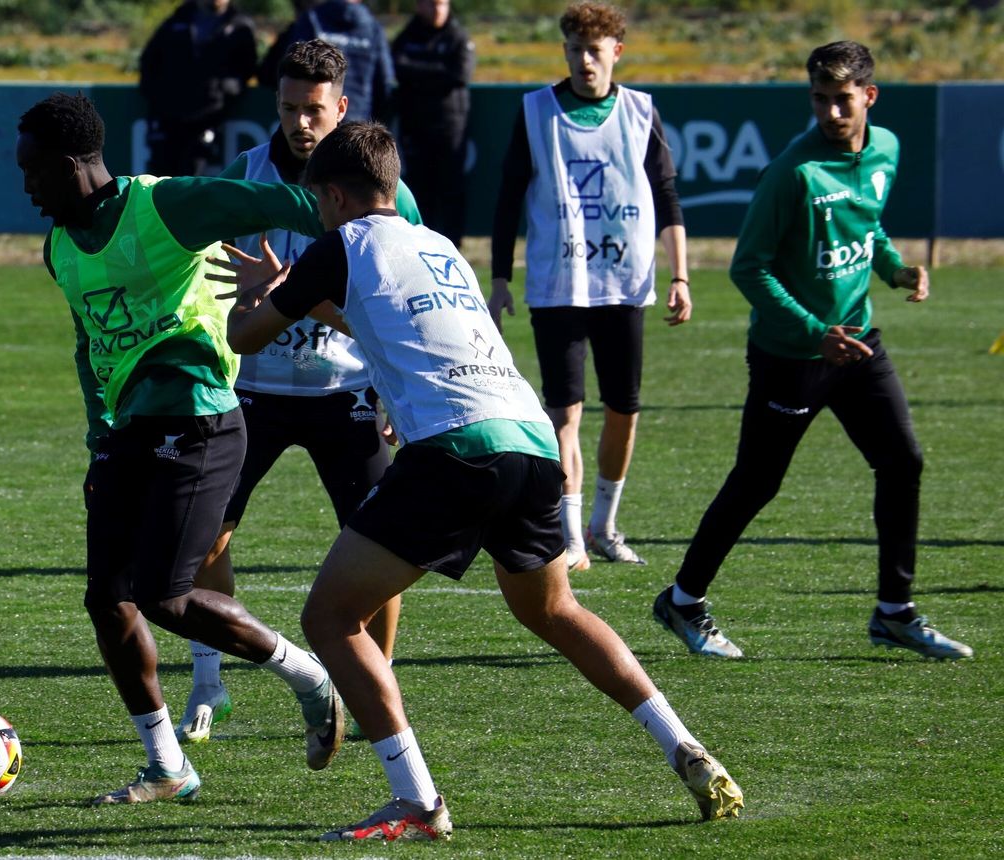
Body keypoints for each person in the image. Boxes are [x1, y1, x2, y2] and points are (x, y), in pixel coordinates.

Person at [220, 121, 743, 840]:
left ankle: (417, 800)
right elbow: (387, 327)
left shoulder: (339, 244)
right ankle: (683, 742)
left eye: (320, 202)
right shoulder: (437, 246)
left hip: (456, 450)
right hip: (529, 441)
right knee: (555, 611)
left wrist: (262, 291)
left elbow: (244, 339)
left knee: (329, 618)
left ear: (336, 196)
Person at [14, 92, 345, 805]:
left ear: (73, 166)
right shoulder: (61, 247)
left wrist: (384, 225)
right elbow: (88, 342)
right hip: (125, 432)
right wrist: (98, 429)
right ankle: (168, 766)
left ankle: (307, 674)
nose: (26, 188)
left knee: (164, 596)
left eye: (34, 172)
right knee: (107, 598)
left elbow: (289, 203)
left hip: (200, 421)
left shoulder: (166, 206)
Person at [651, 41, 973, 661]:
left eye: (842, 99)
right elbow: (749, 268)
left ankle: (895, 612)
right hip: (791, 356)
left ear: (869, 97)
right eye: (821, 100)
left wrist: (896, 269)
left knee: (902, 462)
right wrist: (810, 329)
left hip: (859, 342)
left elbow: (867, 223)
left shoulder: (886, 149)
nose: (830, 112)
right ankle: (683, 600)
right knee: (757, 482)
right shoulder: (793, 172)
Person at [173, 39, 425, 745]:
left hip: (346, 390)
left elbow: (408, 297)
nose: (300, 124)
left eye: (314, 110)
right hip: (251, 389)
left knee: (384, 547)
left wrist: (398, 394)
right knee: (204, 538)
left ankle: (381, 680)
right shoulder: (243, 176)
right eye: (288, 108)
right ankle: (207, 680)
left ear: (342, 107)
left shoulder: (385, 192)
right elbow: (194, 271)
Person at [488, 1, 691, 571]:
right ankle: (571, 534)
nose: (584, 61)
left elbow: (668, 197)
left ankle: (605, 524)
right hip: (557, 287)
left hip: (624, 285)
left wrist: (680, 275)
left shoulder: (640, 112)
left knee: (624, 410)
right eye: (574, 49)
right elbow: (507, 199)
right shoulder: (536, 112)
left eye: (594, 50)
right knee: (564, 415)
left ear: (616, 53)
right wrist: (500, 277)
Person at [138, 0, 259, 177]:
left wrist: (224, 91)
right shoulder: (177, 19)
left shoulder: (239, 25)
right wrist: (161, 98)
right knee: (160, 181)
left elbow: (247, 69)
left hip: (208, 119)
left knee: (194, 180)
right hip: (169, 120)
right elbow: (149, 62)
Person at [391, 0, 476, 246]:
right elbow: (395, 66)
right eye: (431, 4)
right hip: (415, 132)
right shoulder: (408, 36)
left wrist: (415, 74)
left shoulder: (457, 36)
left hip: (451, 132)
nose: (437, 9)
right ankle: (418, 250)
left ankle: (453, 250)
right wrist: (437, 73)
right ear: (419, 5)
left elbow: (460, 74)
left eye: (441, 4)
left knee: (451, 194)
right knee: (418, 194)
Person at [260, 0, 394, 123]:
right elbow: (385, 82)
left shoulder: (313, 19)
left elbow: (289, 68)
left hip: (315, 121)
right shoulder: (373, 27)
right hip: (360, 122)